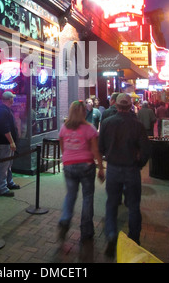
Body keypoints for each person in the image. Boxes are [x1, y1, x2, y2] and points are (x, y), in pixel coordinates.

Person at [98, 93, 151, 257]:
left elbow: (100, 147)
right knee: (134, 206)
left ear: (117, 106)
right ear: (129, 106)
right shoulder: (137, 125)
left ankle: (112, 235)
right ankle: (134, 239)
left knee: (112, 204)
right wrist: (139, 164)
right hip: (131, 169)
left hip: (113, 168)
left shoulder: (106, 123)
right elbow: (146, 150)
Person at [58, 100, 105, 244]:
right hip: (86, 165)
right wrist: (101, 167)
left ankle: (65, 219)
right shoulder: (89, 128)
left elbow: (62, 146)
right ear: (84, 112)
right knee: (87, 197)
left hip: (69, 165)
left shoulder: (64, 127)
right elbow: (95, 150)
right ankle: (86, 230)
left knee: (70, 195)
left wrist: (67, 159)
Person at [0, 91, 20, 197]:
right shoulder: (3, 111)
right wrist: (12, 142)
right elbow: (5, 128)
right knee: (4, 165)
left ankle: (9, 182)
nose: (13, 100)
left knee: (8, 165)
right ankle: (3, 188)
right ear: (9, 99)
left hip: (8, 143)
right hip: (5, 143)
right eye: (12, 98)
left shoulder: (5, 110)